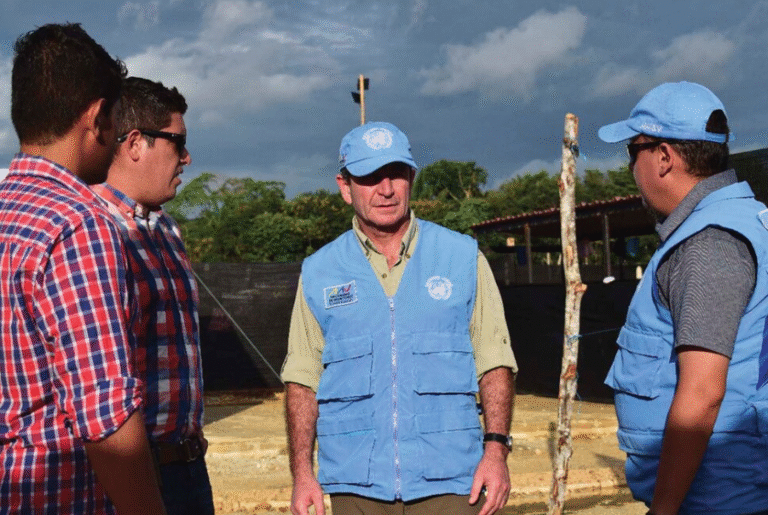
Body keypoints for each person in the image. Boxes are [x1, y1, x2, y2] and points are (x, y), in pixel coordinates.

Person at [281, 121, 518, 515]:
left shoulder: (462, 258)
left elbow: (494, 361)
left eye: (395, 174)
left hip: (453, 481)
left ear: (412, 178)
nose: (386, 189)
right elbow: (303, 380)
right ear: (345, 186)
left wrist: (496, 452)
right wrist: (302, 474)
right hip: (356, 485)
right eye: (370, 177)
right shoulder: (320, 270)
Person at [0, 24, 165, 514]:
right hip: (58, 498)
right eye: (114, 120)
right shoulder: (78, 224)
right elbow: (106, 418)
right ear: (95, 118)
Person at [600, 81, 768, 514]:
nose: (630, 168)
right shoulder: (746, 222)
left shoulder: (709, 242)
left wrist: (664, 509)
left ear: (663, 157)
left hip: (719, 497)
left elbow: (702, 393)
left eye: (631, 152)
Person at [90, 77, 212, 515]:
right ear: (136, 142)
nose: (187, 157)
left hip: (188, 467)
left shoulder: (167, 229)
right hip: (136, 476)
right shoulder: (92, 232)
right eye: (178, 142)